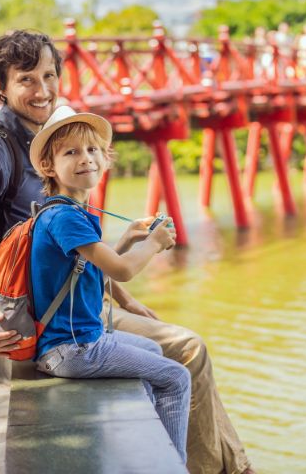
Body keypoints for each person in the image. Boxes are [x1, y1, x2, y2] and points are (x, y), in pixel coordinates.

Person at [0, 30, 255, 474]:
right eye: (26, 79)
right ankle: (210, 468)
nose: (43, 90)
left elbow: (81, 255)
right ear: (1, 87)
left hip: (70, 300)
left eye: (49, 75)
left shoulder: (60, 146)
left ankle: (218, 464)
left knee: (170, 345)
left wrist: (125, 299)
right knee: (186, 349)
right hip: (37, 313)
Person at [28, 105, 190, 463]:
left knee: (154, 352)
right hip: (73, 349)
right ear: (49, 167)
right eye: (71, 152)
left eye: (92, 150)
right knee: (177, 378)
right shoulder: (65, 217)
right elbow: (121, 272)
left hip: (73, 343)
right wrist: (153, 243)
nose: (85, 159)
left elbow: (85, 271)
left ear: (105, 158)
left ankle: (153, 450)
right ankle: (173, 464)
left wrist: (128, 241)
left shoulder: (63, 210)